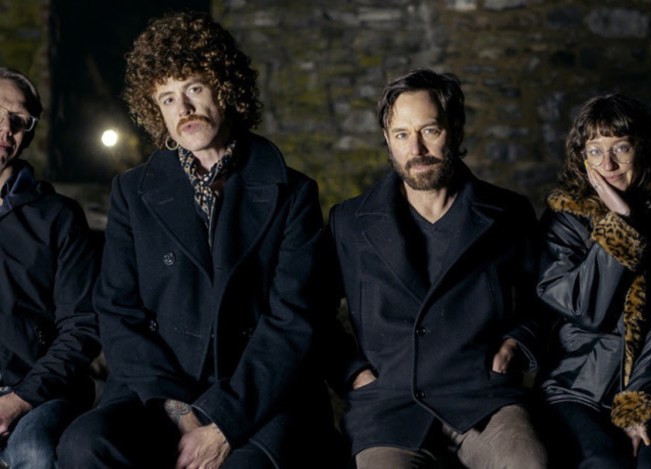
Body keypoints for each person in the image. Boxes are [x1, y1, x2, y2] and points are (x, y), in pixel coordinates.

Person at [56, 11, 342, 468]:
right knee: (83, 444)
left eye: (193, 88)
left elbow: (294, 319)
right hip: (160, 391)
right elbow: (118, 311)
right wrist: (180, 411)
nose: (183, 109)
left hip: (258, 395)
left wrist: (223, 423)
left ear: (224, 87)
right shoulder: (133, 192)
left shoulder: (293, 192)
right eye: (167, 98)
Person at [326, 68, 548, 469]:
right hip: (389, 406)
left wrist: (516, 343)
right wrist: (354, 374)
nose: (416, 148)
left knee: (528, 464)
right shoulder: (349, 222)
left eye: (429, 130)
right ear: (387, 140)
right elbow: (312, 314)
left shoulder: (508, 213)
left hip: (483, 399)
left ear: (455, 128)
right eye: (401, 135)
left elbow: (543, 302)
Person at [536, 94, 651, 468]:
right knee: (605, 461)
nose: (609, 164)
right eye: (596, 151)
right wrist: (620, 222)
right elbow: (585, 309)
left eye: (621, 148)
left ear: (642, 148)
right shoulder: (566, 220)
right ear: (582, 158)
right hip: (574, 388)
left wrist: (640, 403)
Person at [0, 67, 100, 468]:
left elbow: (83, 324)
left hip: (38, 392)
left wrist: (20, 399)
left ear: (29, 134)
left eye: (19, 120)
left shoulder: (58, 217)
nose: (6, 128)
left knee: (34, 451)